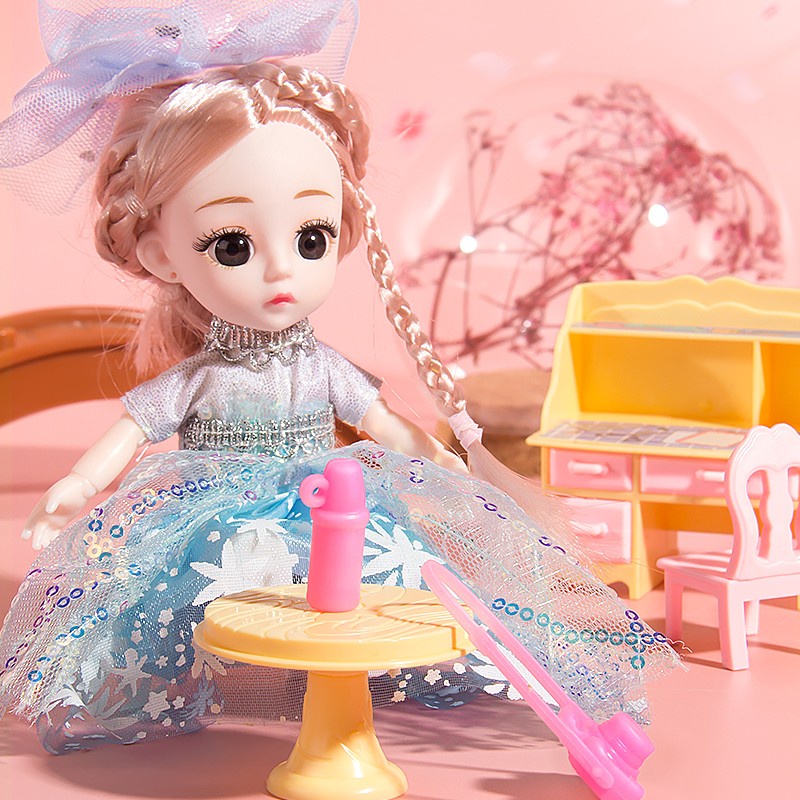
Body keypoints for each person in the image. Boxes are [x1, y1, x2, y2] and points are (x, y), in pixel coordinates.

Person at [0, 0, 679, 755]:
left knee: (389, 572)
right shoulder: (196, 380)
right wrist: (77, 485)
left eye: (311, 236)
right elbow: (130, 430)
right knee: (179, 592)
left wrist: (436, 454)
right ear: (162, 254)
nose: (281, 270)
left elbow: (381, 422)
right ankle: (211, 676)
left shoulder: (323, 367)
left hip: (332, 502)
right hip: (212, 510)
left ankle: (353, 673)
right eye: (232, 245)